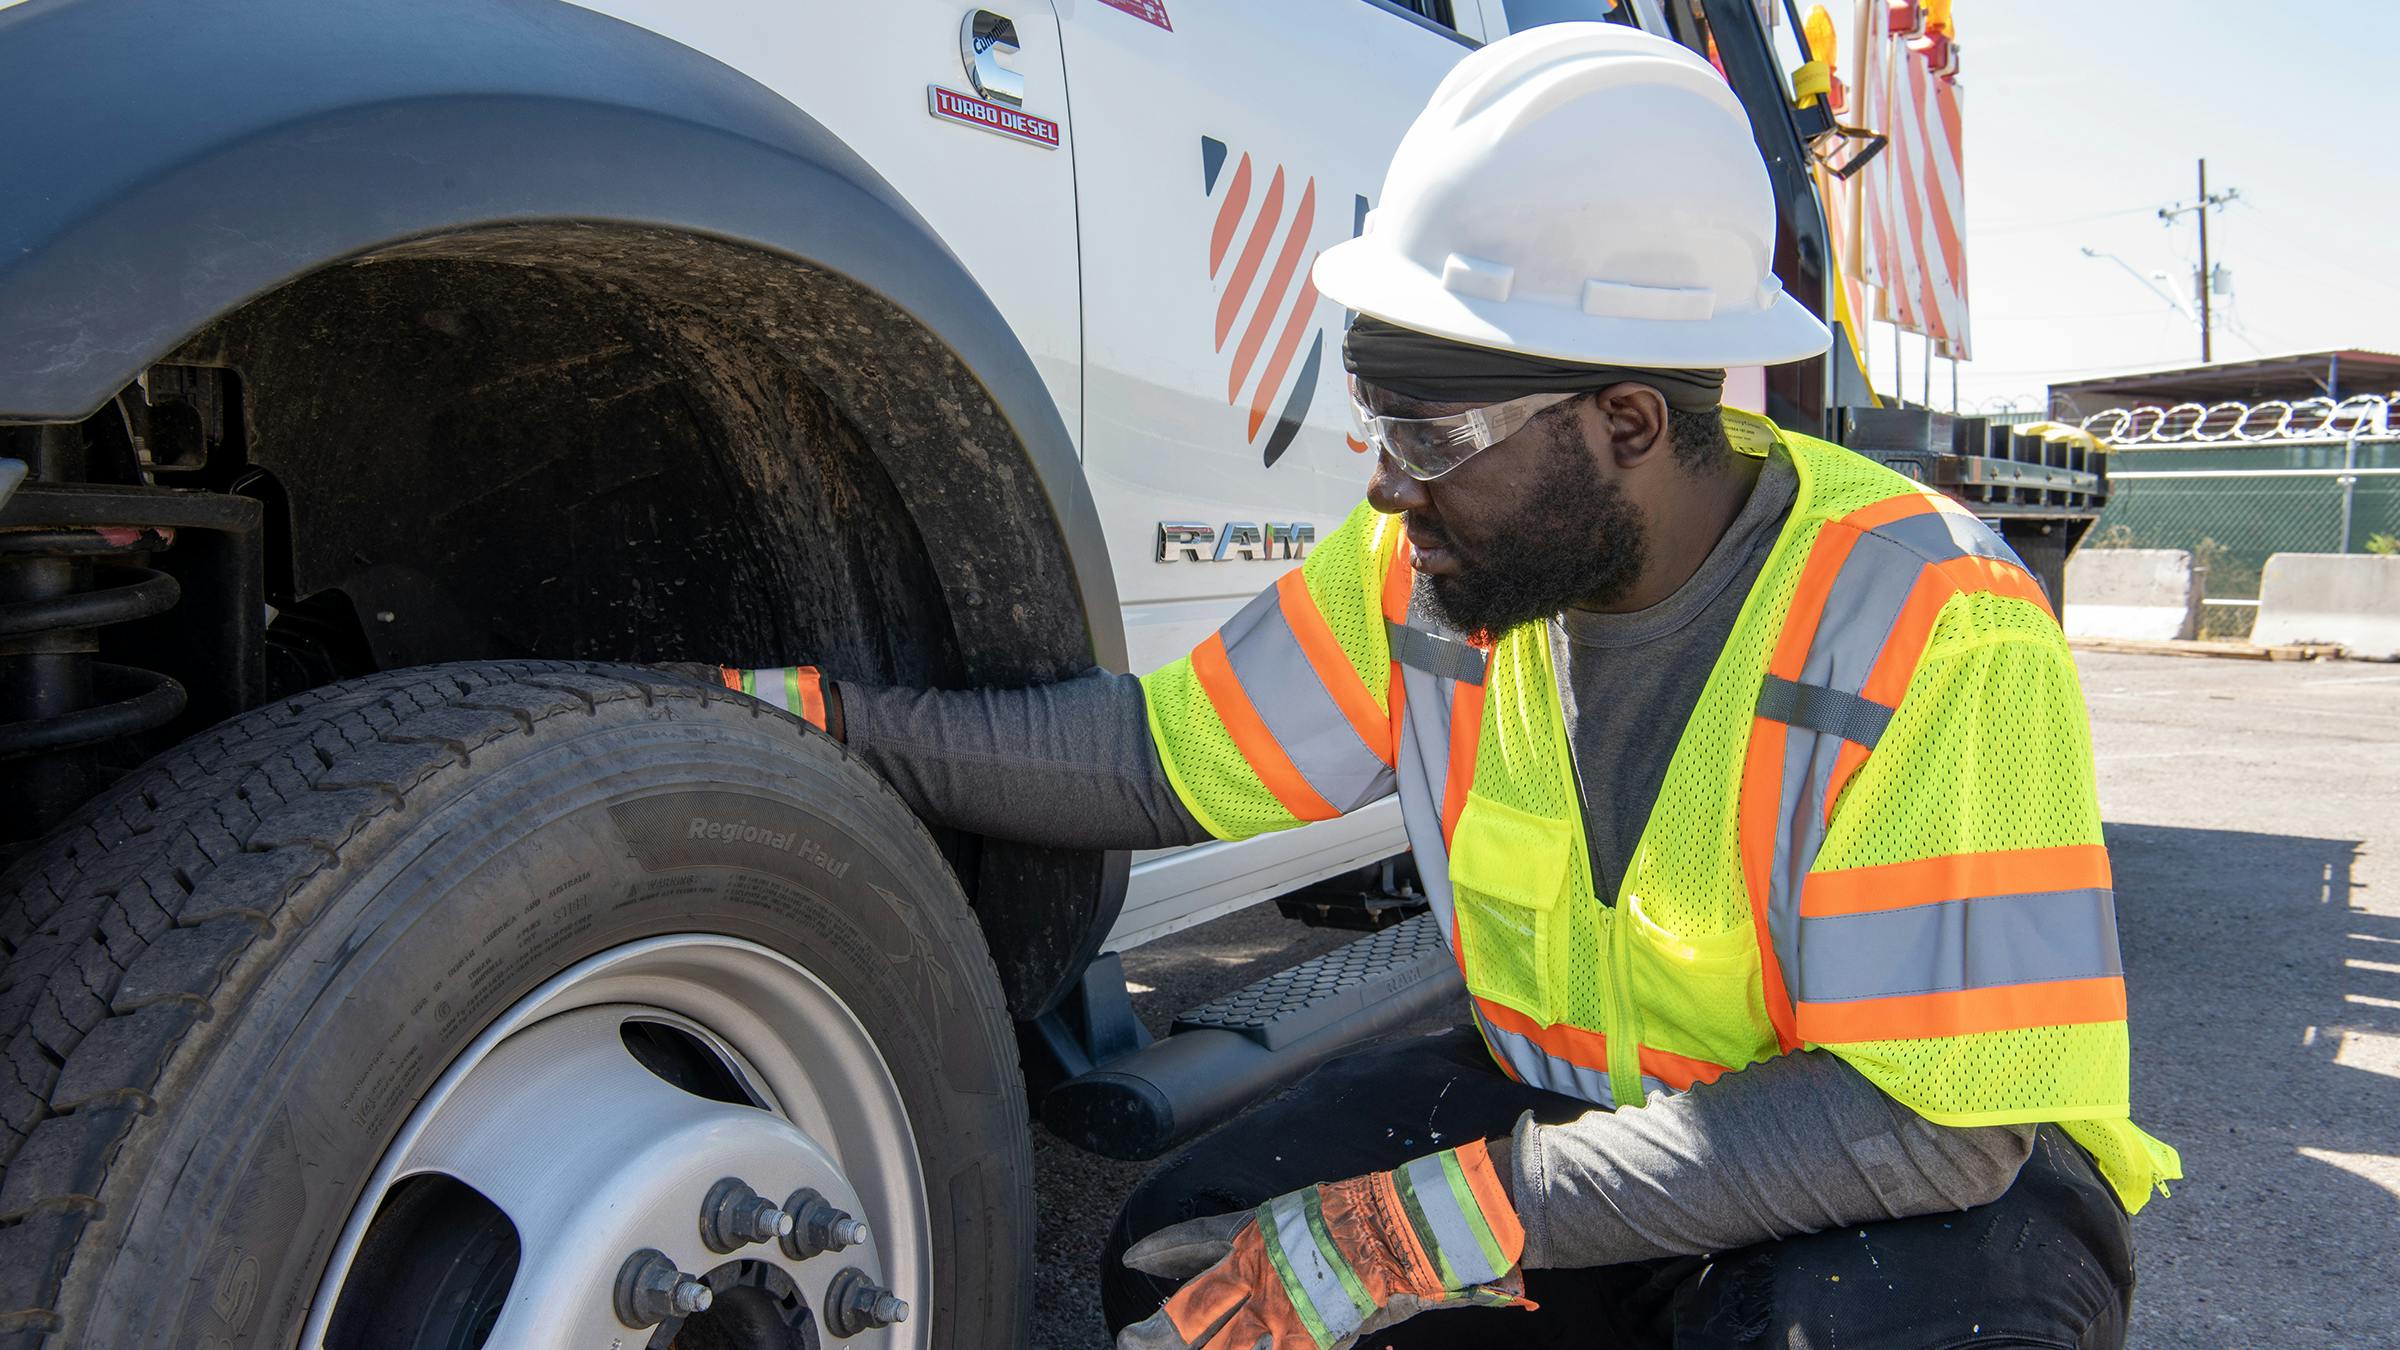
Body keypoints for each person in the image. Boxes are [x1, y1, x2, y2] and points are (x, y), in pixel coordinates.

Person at [686, 24, 2178, 1350]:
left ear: (1626, 421)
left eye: (1430, 436)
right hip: (1587, 1127)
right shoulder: (1438, 573)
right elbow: (1154, 761)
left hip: (1898, 1187)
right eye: (1376, 428)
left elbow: (1924, 1128)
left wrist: (1446, 1220)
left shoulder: (1929, 621)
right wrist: (829, 723)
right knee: (1180, 1259)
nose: (1388, 489)